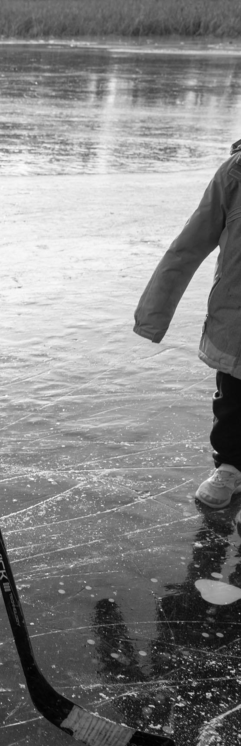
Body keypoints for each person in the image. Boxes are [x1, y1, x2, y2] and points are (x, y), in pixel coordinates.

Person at [135, 137, 241, 510]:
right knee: (233, 400)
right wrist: (155, 313)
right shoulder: (236, 172)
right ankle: (230, 466)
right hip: (237, 317)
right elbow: (190, 243)